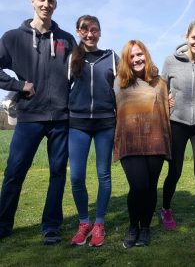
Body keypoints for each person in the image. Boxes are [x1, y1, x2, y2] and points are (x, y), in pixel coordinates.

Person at [0, 0, 76, 244]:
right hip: (30, 117)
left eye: (51, 1)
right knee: (14, 172)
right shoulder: (12, 38)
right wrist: (18, 85)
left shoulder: (67, 39)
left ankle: (51, 226)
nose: (46, 5)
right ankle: (3, 224)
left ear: (56, 4)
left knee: (58, 173)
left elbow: (78, 74)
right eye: (41, 0)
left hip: (61, 120)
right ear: (32, 1)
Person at [161, 19, 195, 247]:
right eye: (194, 37)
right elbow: (160, 89)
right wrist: (164, 99)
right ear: (187, 36)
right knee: (174, 170)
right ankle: (165, 209)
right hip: (177, 122)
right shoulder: (171, 61)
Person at [114, 40, 171, 249]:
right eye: (132, 56)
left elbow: (166, 110)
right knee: (138, 186)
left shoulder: (159, 82)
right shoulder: (118, 82)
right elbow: (114, 111)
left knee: (150, 188)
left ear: (146, 56)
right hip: (129, 142)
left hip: (155, 141)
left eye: (140, 55)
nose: (137, 59)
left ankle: (145, 228)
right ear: (126, 60)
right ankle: (133, 226)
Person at [68, 15, 118, 247]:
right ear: (78, 32)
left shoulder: (112, 58)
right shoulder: (70, 58)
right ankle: (84, 222)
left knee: (103, 175)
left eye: (94, 30)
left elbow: (126, 86)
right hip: (77, 124)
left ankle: (99, 223)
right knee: (76, 176)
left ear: (100, 32)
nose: (89, 34)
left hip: (105, 123)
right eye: (84, 30)